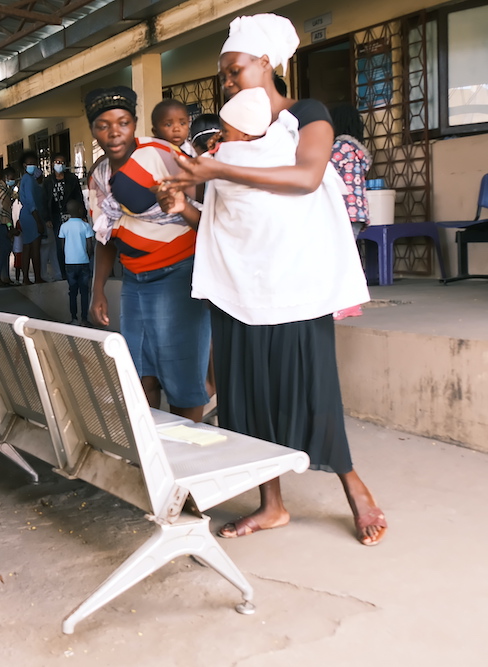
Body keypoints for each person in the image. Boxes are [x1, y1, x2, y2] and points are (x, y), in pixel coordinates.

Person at [164, 13, 385, 547]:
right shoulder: (226, 140)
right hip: (238, 285)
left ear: (265, 62)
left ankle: (353, 487)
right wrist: (184, 203)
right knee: (245, 397)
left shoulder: (307, 114)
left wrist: (219, 170)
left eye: (234, 70)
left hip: (294, 282)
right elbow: (226, 218)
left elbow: (307, 177)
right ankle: (272, 504)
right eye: (224, 75)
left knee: (312, 388)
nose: (228, 81)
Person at [86, 85, 210, 425]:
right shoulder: (99, 174)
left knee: (183, 379)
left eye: (123, 122)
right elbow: (104, 234)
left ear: (135, 124)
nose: (114, 132)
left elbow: (198, 206)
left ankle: (188, 459)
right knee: (143, 376)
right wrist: (97, 291)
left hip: (178, 273)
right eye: (103, 125)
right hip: (135, 280)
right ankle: (156, 455)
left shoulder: (161, 153)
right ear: (93, 130)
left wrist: (171, 200)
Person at [330, 103, 372, 321]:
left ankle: (347, 303)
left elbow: (322, 171)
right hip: (357, 212)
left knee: (340, 258)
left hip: (342, 212)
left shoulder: (338, 148)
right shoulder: (357, 151)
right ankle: (351, 303)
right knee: (349, 256)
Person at [43, 153, 85, 281]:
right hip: (56, 216)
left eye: (61, 162)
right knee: (60, 245)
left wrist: (82, 214)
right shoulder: (48, 181)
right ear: (52, 164)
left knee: (74, 244)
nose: (58, 165)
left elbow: (78, 197)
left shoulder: (72, 179)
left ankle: (76, 270)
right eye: (56, 162)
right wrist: (47, 218)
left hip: (71, 215)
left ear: (65, 164)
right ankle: (63, 272)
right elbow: (45, 200)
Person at [58, 199, 94, 325]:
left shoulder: (64, 226)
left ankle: (74, 318)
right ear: (80, 210)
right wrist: (88, 257)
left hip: (69, 263)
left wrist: (68, 256)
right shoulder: (86, 226)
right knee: (84, 292)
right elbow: (90, 246)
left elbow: (62, 246)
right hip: (83, 262)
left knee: (72, 292)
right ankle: (84, 319)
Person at [17, 151, 45, 283]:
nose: (33, 166)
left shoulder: (27, 178)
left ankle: (26, 278)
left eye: (34, 163)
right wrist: (38, 220)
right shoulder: (28, 179)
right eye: (30, 164)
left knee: (27, 247)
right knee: (34, 247)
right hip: (31, 215)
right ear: (24, 165)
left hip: (27, 215)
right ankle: (37, 277)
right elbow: (31, 201)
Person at [0, 168, 18, 286]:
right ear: (5, 177)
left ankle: (5, 277)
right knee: (3, 251)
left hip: (5, 223)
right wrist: (9, 227)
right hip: (0, 224)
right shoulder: (0, 190)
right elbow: (1, 212)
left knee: (6, 250)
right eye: (11, 178)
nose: (13, 181)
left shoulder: (7, 190)